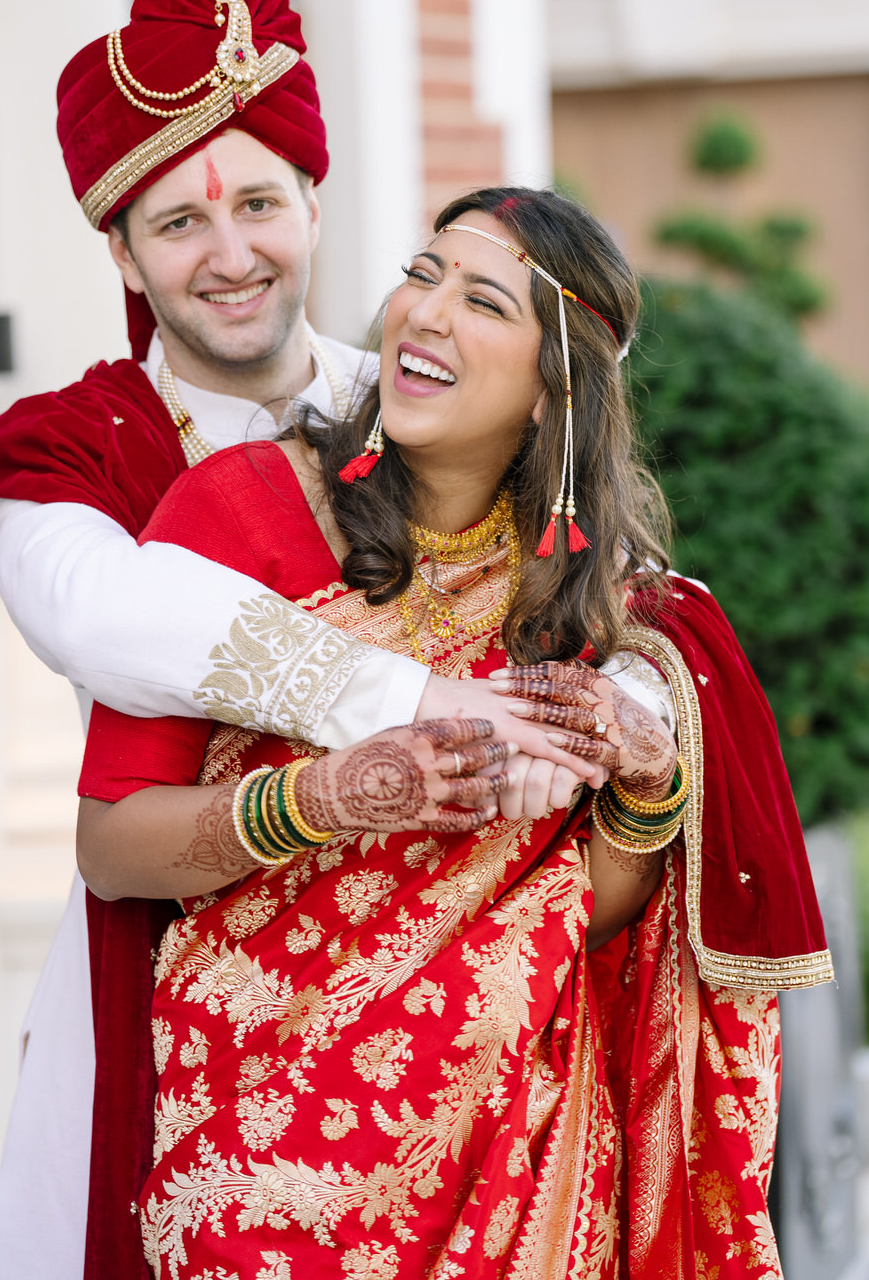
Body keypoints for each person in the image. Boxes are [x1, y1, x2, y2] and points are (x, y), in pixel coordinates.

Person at [0, 0, 595, 1280]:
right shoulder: (69, 454)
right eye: (176, 223)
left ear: (313, 199)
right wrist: (407, 704)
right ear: (119, 248)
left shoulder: (421, 396)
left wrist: (629, 709)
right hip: (176, 961)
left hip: (457, 998)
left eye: (256, 201)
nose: (230, 255)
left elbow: (594, 574)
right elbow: (106, 614)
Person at [76, 186, 832, 1279]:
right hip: (254, 1151)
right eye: (422, 275)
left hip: (509, 1169)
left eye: (482, 300)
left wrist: (649, 784)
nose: (424, 315)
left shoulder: (606, 609)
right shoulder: (236, 512)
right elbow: (111, 850)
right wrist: (325, 798)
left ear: (550, 390)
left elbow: (581, 917)